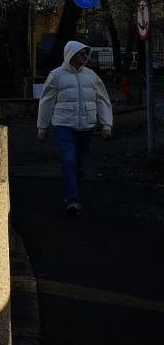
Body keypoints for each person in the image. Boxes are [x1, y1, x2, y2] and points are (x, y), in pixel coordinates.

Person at [37, 41, 113, 216]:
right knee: (69, 160)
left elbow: (102, 99)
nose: (86, 57)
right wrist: (42, 127)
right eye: (82, 54)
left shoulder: (92, 76)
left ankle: (73, 190)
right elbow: (46, 101)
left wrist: (106, 124)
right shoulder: (56, 75)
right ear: (71, 54)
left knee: (79, 163)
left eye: (87, 54)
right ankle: (72, 200)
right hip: (64, 124)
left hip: (86, 126)